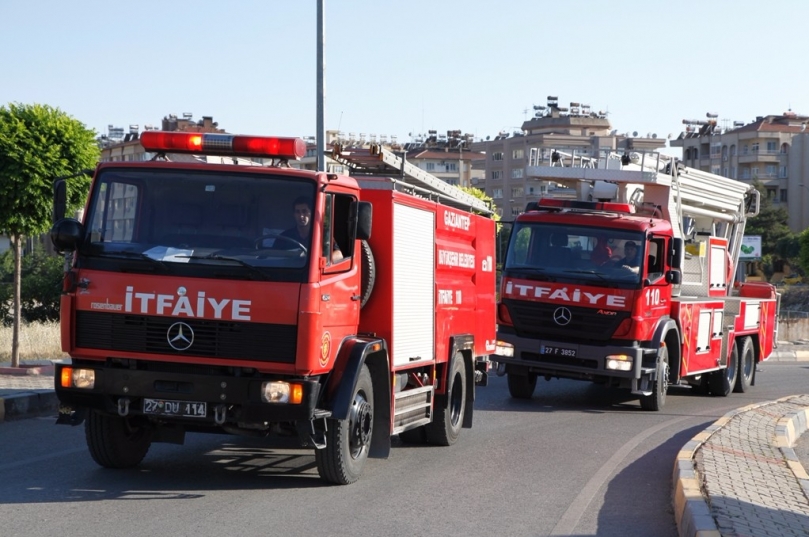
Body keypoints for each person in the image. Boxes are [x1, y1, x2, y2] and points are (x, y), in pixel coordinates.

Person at [277, 196, 343, 262]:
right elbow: (273, 256)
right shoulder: (284, 236)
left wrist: (319, 262)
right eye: (297, 212)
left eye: (304, 211)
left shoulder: (323, 235)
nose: (301, 216)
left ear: (312, 213)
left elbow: (339, 255)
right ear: (294, 214)